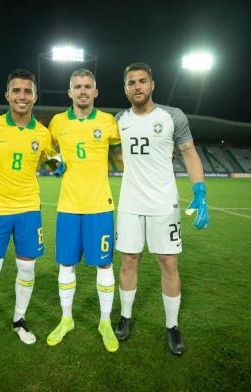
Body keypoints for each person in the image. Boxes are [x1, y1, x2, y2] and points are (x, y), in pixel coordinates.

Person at [114, 62, 209, 356]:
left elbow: (189, 153)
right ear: (126, 88)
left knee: (168, 263)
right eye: (132, 82)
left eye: (143, 81)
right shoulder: (118, 119)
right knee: (129, 260)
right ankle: (126, 316)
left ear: (152, 84)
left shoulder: (172, 116)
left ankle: (172, 325)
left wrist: (200, 191)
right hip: (130, 203)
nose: (138, 86)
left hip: (163, 203)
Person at [0, 69, 60, 363]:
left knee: (27, 270)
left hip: (29, 211)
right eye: (16, 91)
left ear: (35, 96)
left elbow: (54, 160)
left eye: (27, 91)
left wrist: (58, 163)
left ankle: (19, 320)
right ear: (7, 95)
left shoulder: (43, 133)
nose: (22, 96)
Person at [46, 68, 121, 353]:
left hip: (100, 206)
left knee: (104, 263)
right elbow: (46, 148)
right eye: (77, 86)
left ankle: (105, 322)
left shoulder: (108, 122)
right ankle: (66, 319)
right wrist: (55, 164)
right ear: (70, 92)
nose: (83, 91)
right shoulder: (57, 122)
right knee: (66, 264)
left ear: (96, 91)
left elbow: (122, 148)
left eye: (88, 86)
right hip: (68, 206)